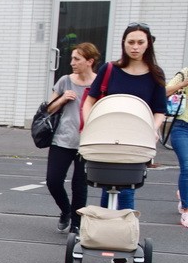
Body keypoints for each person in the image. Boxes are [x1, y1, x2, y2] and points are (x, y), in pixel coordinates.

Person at [81, 23, 167, 211]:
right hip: (107, 136)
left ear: (148, 45)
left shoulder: (155, 74)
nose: (135, 47)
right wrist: (90, 124)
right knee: (107, 185)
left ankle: (123, 233)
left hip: (136, 139)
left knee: (127, 188)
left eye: (140, 42)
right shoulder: (110, 69)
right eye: (131, 42)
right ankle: (106, 230)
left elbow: (159, 110)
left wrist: (152, 129)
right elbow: (90, 100)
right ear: (124, 43)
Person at [45, 42, 99, 233]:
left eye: (77, 59)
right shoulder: (65, 81)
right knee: (53, 181)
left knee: (80, 185)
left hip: (87, 142)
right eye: (72, 58)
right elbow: (48, 109)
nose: (72, 62)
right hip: (63, 139)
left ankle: (76, 224)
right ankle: (65, 210)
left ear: (90, 61)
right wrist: (62, 98)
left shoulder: (100, 83)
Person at [166, 66, 188, 227]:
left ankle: (184, 193)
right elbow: (164, 92)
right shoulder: (185, 72)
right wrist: (183, 84)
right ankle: (186, 209)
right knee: (187, 166)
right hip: (182, 127)